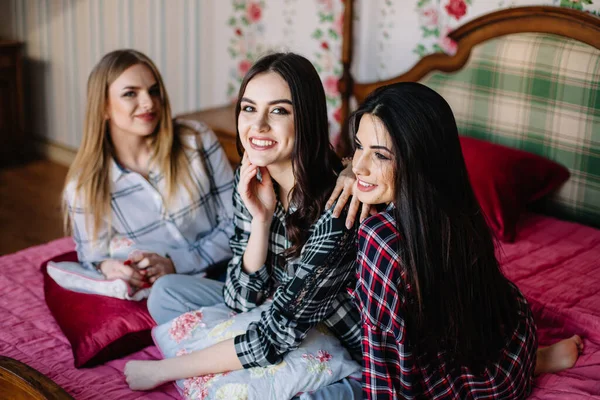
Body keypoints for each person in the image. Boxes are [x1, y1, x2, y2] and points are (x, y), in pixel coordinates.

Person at [124, 52, 362, 398]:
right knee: (165, 293)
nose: (258, 126)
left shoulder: (338, 204)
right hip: (270, 311)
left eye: (279, 111)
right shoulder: (251, 177)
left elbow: (276, 334)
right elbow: (239, 300)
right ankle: (232, 370)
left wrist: (161, 371)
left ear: (306, 119)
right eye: (249, 109)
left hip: (335, 341)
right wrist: (260, 221)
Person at [346, 82, 583, 399]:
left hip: (456, 385)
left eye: (380, 156)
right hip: (509, 347)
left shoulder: (380, 237)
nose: (357, 166)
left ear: (419, 160)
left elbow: (384, 357)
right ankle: (536, 359)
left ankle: (538, 360)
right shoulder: (455, 204)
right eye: (359, 146)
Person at [63, 49, 234, 288]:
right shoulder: (85, 185)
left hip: (232, 267)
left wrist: (177, 263)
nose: (148, 103)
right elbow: (93, 256)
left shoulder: (197, 139)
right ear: (103, 107)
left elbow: (239, 222)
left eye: (153, 91)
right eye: (130, 93)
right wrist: (109, 267)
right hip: (170, 289)